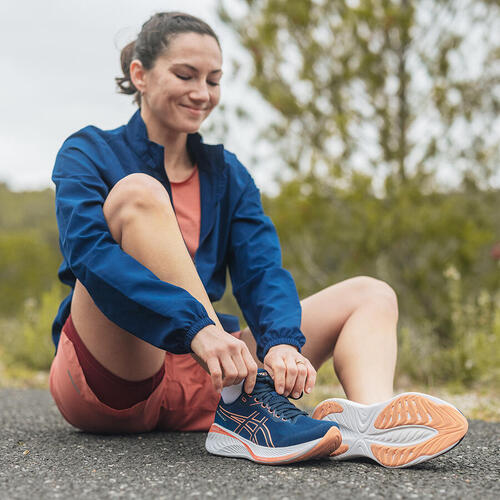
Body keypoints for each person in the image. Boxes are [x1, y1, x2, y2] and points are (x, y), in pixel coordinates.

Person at [49, 12, 467, 467]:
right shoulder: (88, 151)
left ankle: (370, 425)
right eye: (185, 75)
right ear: (140, 75)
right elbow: (88, 255)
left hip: (210, 376)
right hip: (118, 371)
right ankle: (243, 405)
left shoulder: (227, 175)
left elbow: (262, 271)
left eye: (214, 80)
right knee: (138, 194)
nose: (201, 93)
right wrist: (199, 330)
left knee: (372, 293)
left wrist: (281, 342)